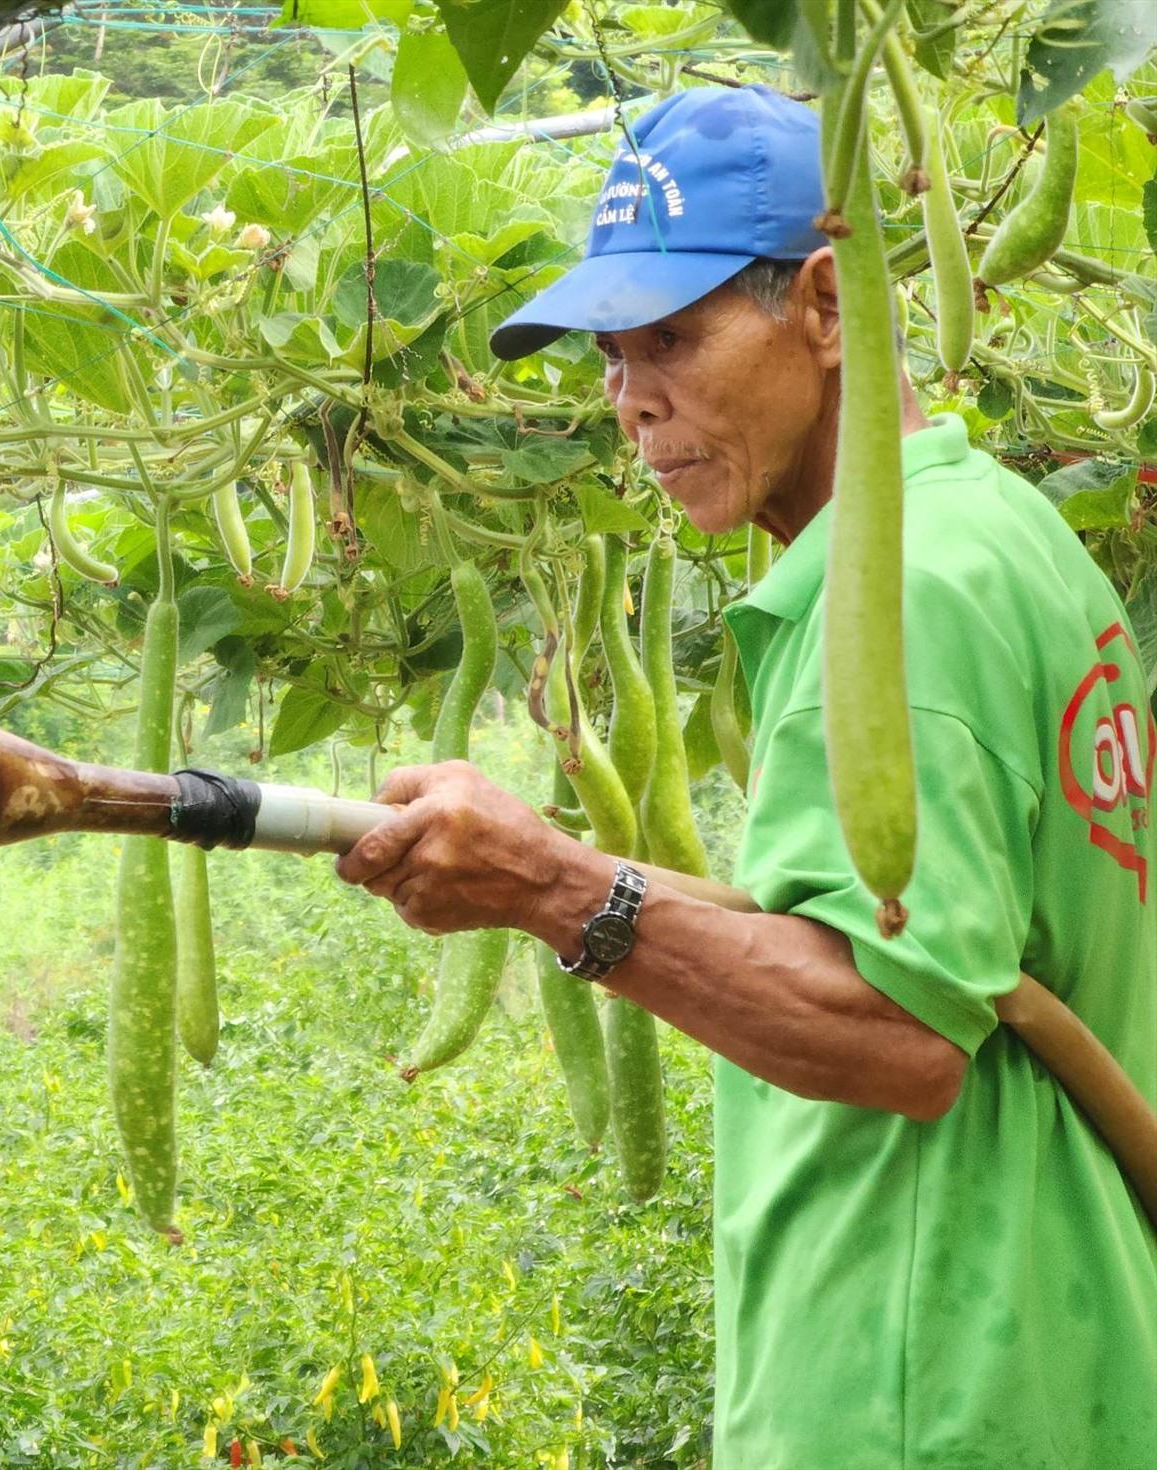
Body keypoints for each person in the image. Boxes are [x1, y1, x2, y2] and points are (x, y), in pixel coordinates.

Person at [335, 84, 1157, 1467]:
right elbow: (943, 963)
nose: (631, 401)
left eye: (672, 337)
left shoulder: (894, 598)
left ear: (829, 306)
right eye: (610, 356)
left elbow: (895, 1029)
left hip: (934, 1385)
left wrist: (546, 884)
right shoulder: (1002, 536)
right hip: (1051, 1356)